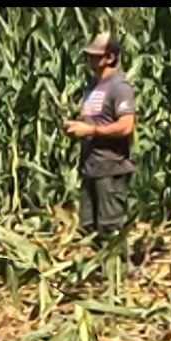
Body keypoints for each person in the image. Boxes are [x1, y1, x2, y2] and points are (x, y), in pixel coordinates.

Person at [63, 32, 137, 247]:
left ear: (111, 57)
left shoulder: (119, 88)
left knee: (110, 228)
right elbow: (94, 122)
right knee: (89, 227)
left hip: (110, 167)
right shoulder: (92, 87)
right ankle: (102, 274)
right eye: (88, 56)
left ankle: (119, 274)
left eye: (96, 56)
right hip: (91, 167)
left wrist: (89, 131)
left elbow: (126, 126)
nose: (90, 60)